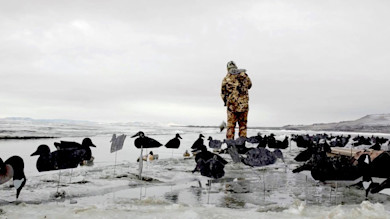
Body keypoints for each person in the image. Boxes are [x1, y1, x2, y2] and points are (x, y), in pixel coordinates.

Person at [221, 61, 252, 140]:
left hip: (232, 106)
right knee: (243, 126)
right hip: (244, 106)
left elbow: (223, 92)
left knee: (230, 126)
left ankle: (230, 144)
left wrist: (226, 101)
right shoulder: (244, 76)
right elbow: (250, 85)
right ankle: (241, 144)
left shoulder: (226, 78)